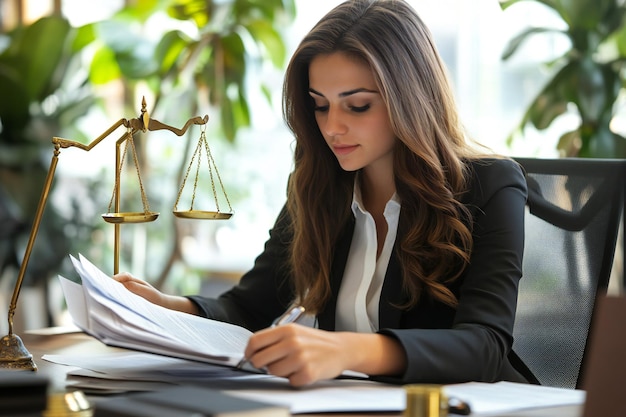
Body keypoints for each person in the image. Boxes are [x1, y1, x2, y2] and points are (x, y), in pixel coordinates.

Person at [115, 0, 536, 387]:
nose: (332, 126)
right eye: (320, 104)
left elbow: (484, 346)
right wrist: (165, 306)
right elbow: (250, 308)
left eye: (357, 106)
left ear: (410, 99)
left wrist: (347, 351)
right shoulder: (320, 185)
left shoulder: (489, 187)